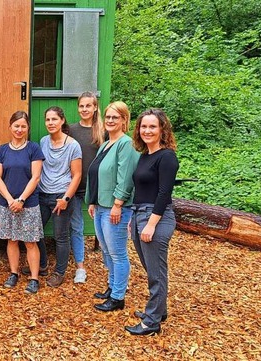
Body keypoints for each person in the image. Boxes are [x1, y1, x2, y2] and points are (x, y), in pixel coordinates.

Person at [125, 109, 179, 335]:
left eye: (152, 127)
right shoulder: (145, 155)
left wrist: (151, 224)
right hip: (140, 213)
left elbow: (164, 192)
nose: (147, 131)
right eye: (143, 127)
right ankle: (160, 309)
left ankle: (152, 322)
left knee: (156, 272)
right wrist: (133, 218)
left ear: (162, 130)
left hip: (156, 216)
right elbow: (142, 189)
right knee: (151, 268)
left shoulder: (167, 157)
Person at [87, 101, 140, 312]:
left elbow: (125, 177)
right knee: (107, 252)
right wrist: (92, 201)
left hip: (115, 207)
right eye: (108, 117)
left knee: (117, 253)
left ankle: (118, 297)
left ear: (124, 120)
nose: (110, 121)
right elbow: (98, 174)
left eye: (115, 117)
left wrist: (118, 204)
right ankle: (111, 286)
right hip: (101, 205)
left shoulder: (126, 144)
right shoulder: (105, 144)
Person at [0, 111, 45, 294]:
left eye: (23, 126)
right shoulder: (2, 150)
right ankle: (14, 273)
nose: (19, 129)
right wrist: (9, 199)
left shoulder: (33, 149)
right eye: (16, 126)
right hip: (6, 203)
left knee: (30, 242)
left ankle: (33, 278)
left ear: (28, 128)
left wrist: (21, 199)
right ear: (10, 127)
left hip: (28, 203)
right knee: (12, 239)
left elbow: (36, 176)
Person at [33, 106, 82, 288]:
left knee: (60, 237)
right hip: (43, 194)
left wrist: (66, 199)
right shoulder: (44, 141)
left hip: (62, 196)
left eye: (54, 119)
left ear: (62, 121)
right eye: (48, 120)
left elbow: (77, 175)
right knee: (35, 231)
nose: (51, 123)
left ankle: (59, 272)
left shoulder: (73, 145)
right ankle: (43, 264)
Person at [67, 91, 105, 282]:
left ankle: (111, 267)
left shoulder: (102, 131)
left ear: (95, 107)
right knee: (76, 227)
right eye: (81, 106)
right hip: (74, 187)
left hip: (96, 188)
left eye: (88, 106)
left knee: (103, 228)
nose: (84, 109)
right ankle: (80, 268)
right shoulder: (71, 130)